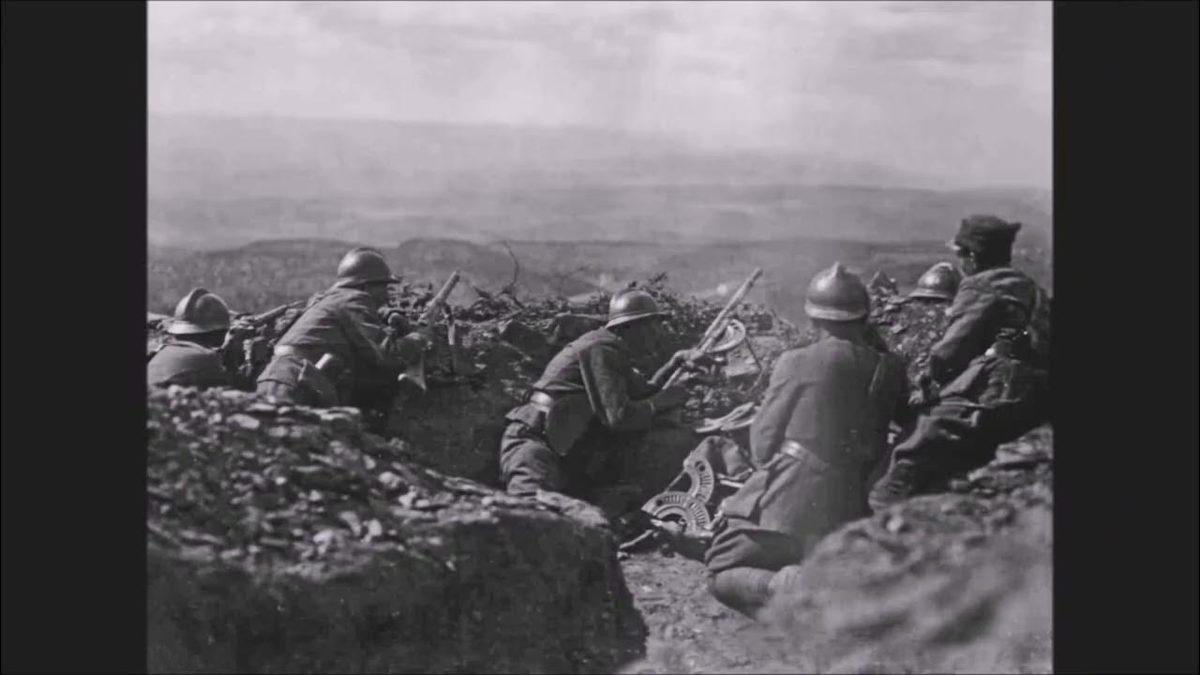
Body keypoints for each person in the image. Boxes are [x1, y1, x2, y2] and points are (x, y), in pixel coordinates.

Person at [703, 263, 910, 617]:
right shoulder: (889, 368)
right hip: (851, 506)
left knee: (720, 571)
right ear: (863, 318)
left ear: (814, 319)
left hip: (793, 496)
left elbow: (762, 446)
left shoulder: (796, 362)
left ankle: (797, 589)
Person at [869, 215, 1051, 513]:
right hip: (1037, 393)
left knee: (914, 445)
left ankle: (887, 513)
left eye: (961, 255)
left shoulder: (980, 286)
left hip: (997, 386)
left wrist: (930, 380)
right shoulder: (1029, 287)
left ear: (972, 257)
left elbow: (950, 352)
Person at [498, 288, 709, 516]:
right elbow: (619, 417)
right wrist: (665, 400)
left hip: (560, 449)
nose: (657, 333)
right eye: (652, 325)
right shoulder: (602, 348)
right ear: (632, 327)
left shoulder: (610, 349)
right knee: (529, 518)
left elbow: (642, 393)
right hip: (535, 446)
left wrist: (674, 365)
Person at [255, 247, 428, 408]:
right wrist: (418, 338)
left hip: (284, 377)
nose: (386, 294)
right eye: (382, 286)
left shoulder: (335, 298)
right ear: (364, 286)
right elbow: (385, 354)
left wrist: (387, 314)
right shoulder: (355, 299)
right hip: (293, 380)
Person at [147, 288, 243, 390]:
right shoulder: (207, 357)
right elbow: (241, 389)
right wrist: (233, 360)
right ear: (220, 332)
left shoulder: (157, 349)